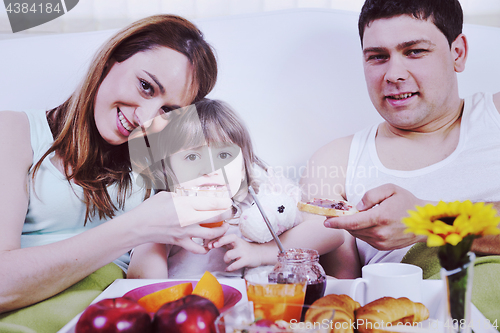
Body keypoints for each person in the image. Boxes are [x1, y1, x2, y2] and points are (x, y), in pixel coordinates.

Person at [0, 15, 231, 330]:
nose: (146, 118)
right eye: (146, 86)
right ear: (111, 59)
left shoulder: (157, 170)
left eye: (167, 111)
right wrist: (139, 226)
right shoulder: (13, 132)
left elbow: (148, 289)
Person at [299, 0, 500, 302]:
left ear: (457, 53)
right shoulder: (336, 161)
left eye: (414, 51)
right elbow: (345, 303)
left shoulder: (494, 116)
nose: (393, 74)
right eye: (377, 57)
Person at [127, 99, 346, 278]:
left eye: (224, 155)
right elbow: (141, 281)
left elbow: (332, 233)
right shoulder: (169, 216)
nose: (210, 168)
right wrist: (156, 237)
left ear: (244, 167)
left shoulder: (258, 201)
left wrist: (260, 252)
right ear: (169, 170)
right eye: (192, 156)